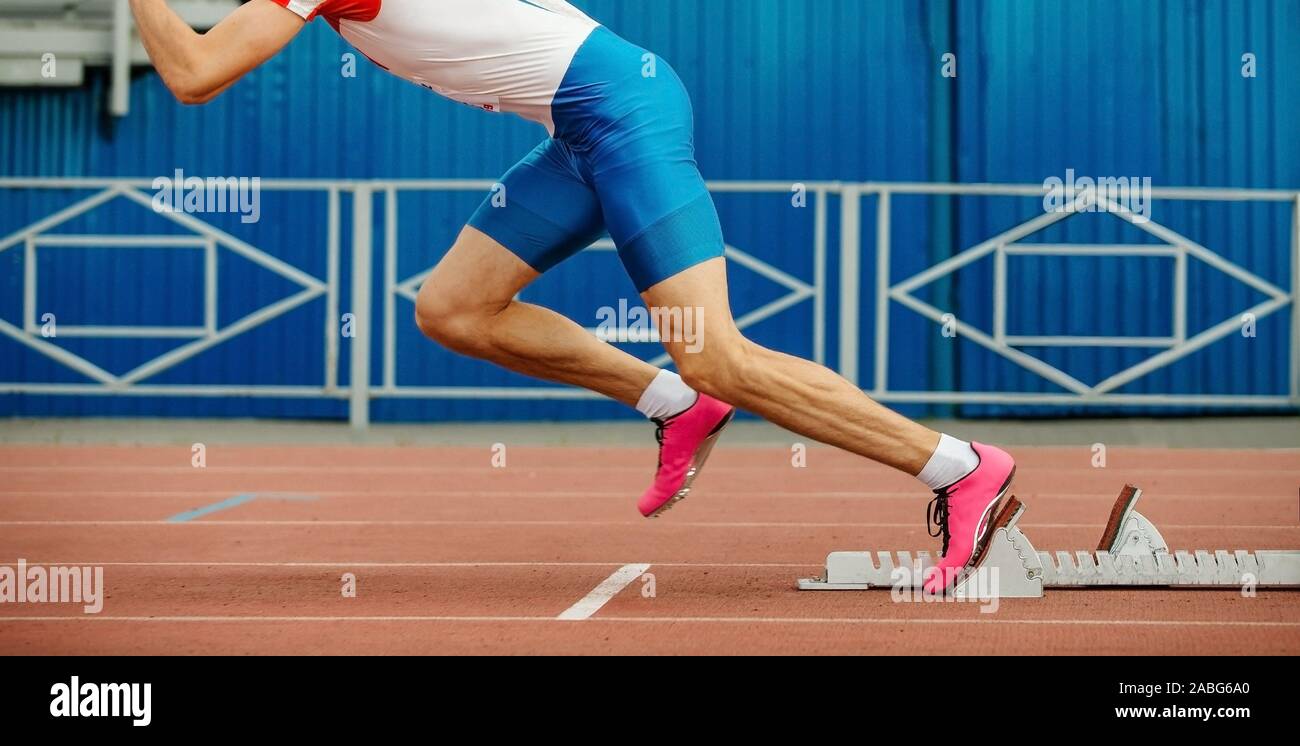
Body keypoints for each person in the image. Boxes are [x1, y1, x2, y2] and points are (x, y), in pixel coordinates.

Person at [128, 0, 1017, 593]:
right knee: (452, 309)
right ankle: (676, 407)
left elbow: (194, 74)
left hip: (620, 113)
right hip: (581, 128)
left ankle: (960, 466)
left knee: (716, 350)